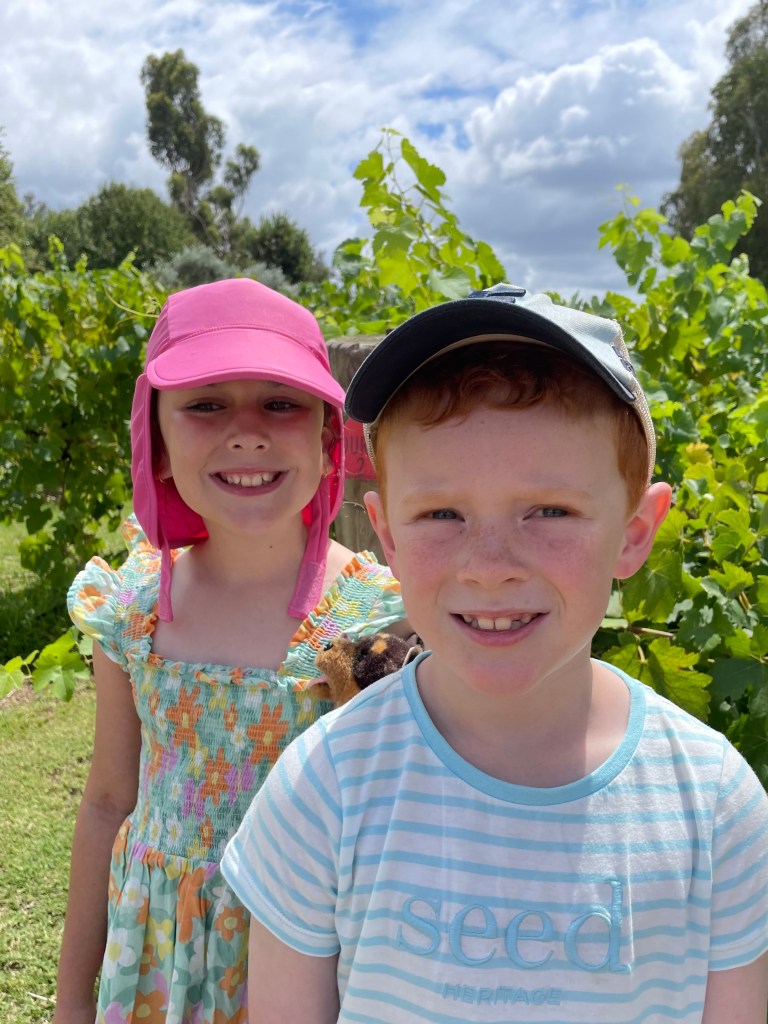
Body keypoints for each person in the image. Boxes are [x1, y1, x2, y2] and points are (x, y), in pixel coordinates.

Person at [221, 284, 768, 1023]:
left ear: (635, 532)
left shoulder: (716, 804)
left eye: (550, 511)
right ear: (387, 534)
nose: (489, 566)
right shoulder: (325, 788)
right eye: (442, 513)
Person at [53, 278, 407, 1024]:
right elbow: (110, 800)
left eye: (280, 403)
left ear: (326, 439)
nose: (246, 433)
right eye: (206, 404)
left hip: (307, 963)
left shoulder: (377, 620)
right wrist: (72, 1002)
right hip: (157, 961)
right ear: (156, 441)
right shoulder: (134, 610)